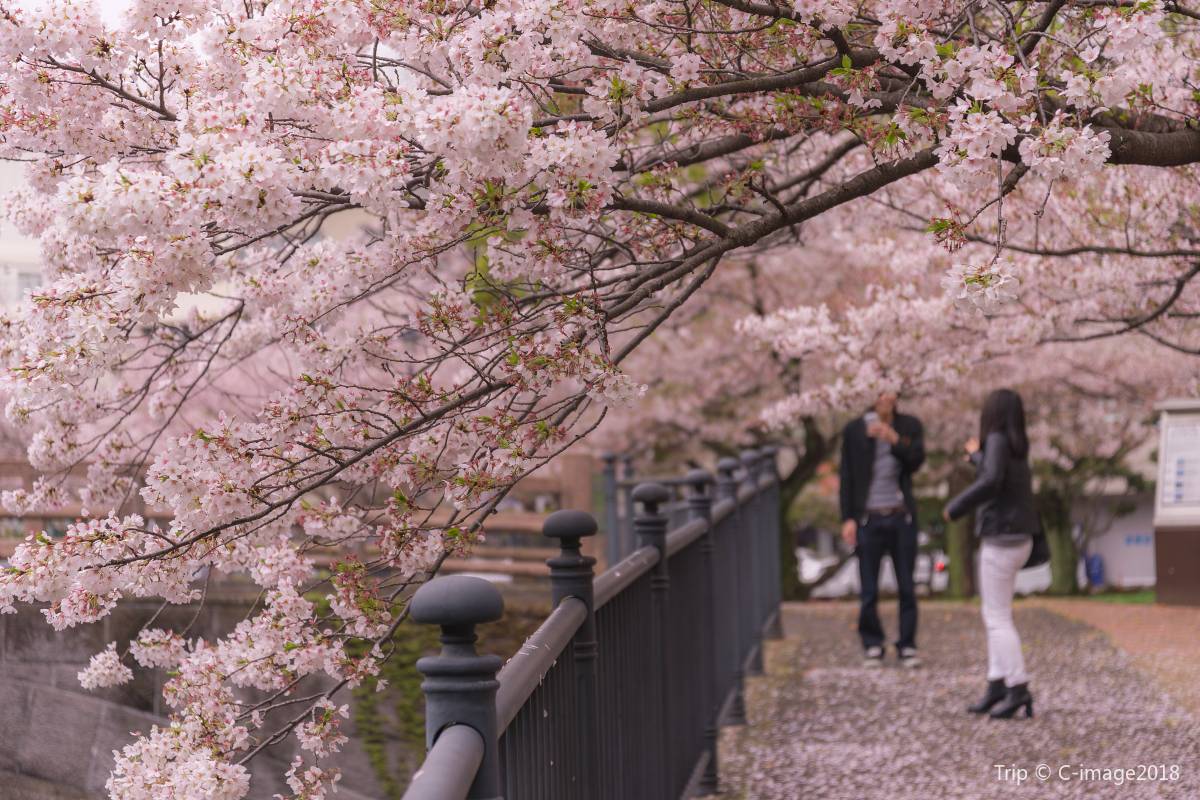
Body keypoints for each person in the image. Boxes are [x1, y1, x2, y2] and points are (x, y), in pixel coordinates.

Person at [944, 388, 1040, 720]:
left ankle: (1018, 687)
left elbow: (991, 482)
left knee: (997, 618)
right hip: (1020, 538)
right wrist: (977, 457)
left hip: (1001, 539)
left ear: (992, 413)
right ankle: (996, 685)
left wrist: (955, 507)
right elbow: (995, 473)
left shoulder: (996, 439)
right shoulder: (1015, 444)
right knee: (997, 614)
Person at [839, 391, 925, 668]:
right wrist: (848, 518)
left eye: (890, 393)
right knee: (869, 589)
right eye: (879, 393)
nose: (885, 399)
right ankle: (872, 643)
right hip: (868, 518)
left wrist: (894, 439)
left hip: (902, 517)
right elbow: (847, 476)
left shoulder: (909, 425)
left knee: (907, 587)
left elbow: (916, 461)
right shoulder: (854, 430)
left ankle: (907, 645)